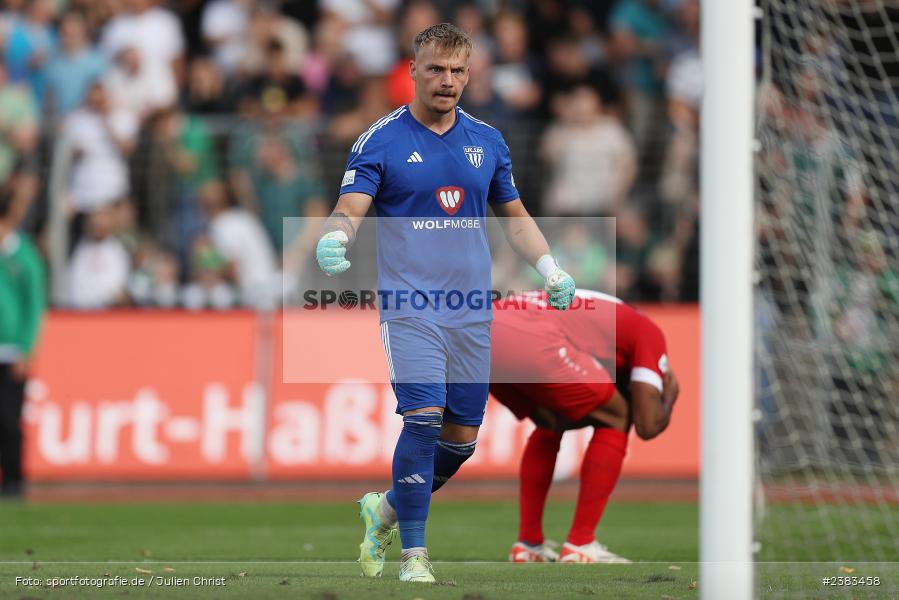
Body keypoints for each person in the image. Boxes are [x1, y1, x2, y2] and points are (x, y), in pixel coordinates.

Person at [313, 23, 576, 583]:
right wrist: (336, 237)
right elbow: (350, 206)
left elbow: (516, 219)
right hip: (411, 308)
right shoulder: (380, 140)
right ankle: (414, 557)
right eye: (436, 69)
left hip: (471, 311)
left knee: (460, 444)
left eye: (458, 71)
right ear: (412, 71)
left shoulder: (488, 141)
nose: (447, 80)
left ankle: (383, 508)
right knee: (424, 421)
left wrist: (550, 267)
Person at [490, 289, 679, 563]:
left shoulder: (603, 317)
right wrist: (671, 394)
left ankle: (528, 544)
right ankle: (581, 542)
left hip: (480, 336)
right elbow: (647, 425)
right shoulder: (649, 332)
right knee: (617, 416)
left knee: (550, 422)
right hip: (533, 335)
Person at [0, 175, 46, 498]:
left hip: (12, 350)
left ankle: (15, 481)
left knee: (8, 420)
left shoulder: (24, 257)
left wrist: (27, 350)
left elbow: (34, 307)